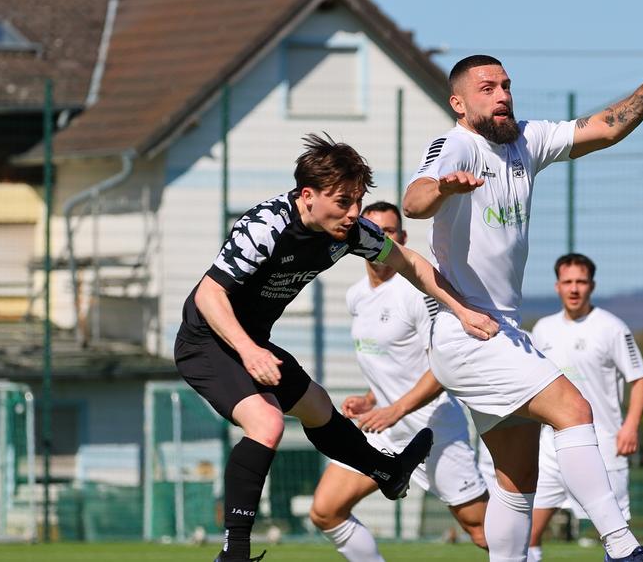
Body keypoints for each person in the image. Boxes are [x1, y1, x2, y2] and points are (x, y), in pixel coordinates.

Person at [403, 46, 643, 562]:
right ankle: (623, 547)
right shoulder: (457, 145)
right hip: (464, 329)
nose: (502, 97)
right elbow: (414, 200)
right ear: (459, 104)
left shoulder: (527, 140)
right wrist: (444, 186)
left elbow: (604, 128)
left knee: (517, 481)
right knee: (574, 409)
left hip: (500, 331)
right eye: (487, 90)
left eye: (506, 86)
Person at [173, 135, 498, 562]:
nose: (353, 213)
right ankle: (235, 550)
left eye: (359, 201)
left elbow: (410, 262)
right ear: (307, 196)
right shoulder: (266, 226)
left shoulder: (349, 234)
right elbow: (209, 295)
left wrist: (462, 310)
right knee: (267, 423)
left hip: (251, 342)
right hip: (207, 341)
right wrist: (250, 352)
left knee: (317, 406)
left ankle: (388, 471)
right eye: (343, 202)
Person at [307, 201, 489, 560]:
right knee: (326, 511)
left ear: (401, 238)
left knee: (481, 529)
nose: (377, 236)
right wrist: (370, 400)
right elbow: (392, 363)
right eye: (369, 228)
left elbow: (443, 365)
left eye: (388, 231)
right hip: (385, 429)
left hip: (432, 428)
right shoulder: (356, 295)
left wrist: (396, 409)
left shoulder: (418, 291)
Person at [527, 254, 643, 562]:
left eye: (580, 282)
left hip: (602, 445)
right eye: (567, 282)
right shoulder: (542, 329)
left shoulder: (611, 328)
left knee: (616, 536)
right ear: (557, 286)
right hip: (550, 448)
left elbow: (641, 380)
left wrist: (630, 426)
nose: (574, 289)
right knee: (526, 533)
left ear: (591, 286)